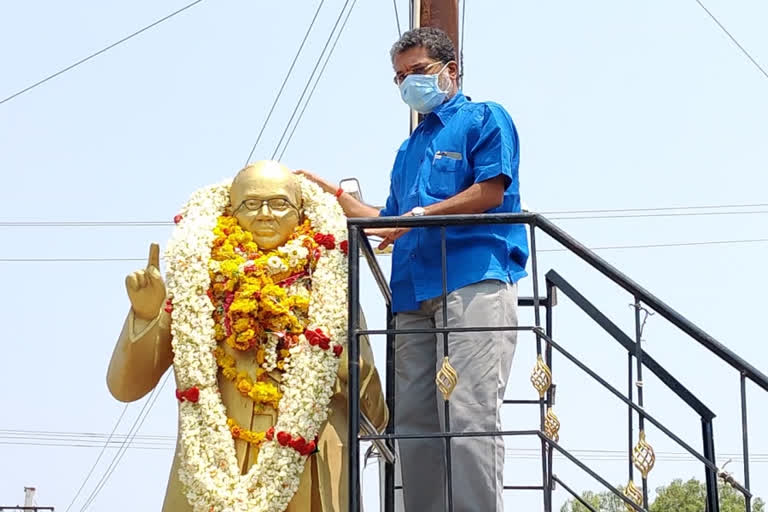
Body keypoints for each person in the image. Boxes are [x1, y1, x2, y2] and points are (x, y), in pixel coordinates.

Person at [296, 27, 529, 512]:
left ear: (451, 70)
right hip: (411, 294)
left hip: (473, 280)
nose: (408, 84)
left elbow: (491, 192)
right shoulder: (407, 151)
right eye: (399, 77)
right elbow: (390, 223)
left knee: (468, 420)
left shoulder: (484, 118)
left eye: (418, 72)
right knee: (415, 428)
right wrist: (332, 197)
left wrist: (424, 216)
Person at [106, 161, 388, 512]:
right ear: (231, 212)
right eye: (251, 204)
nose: (265, 214)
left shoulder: (330, 289)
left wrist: (347, 369)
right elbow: (125, 387)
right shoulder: (199, 286)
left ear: (301, 213)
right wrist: (147, 314)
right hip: (213, 474)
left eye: (279, 203)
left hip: (310, 471)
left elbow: (376, 414)